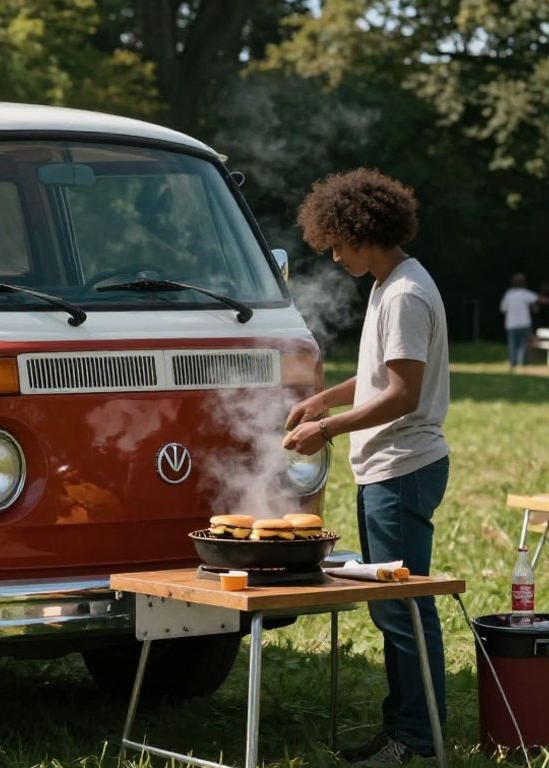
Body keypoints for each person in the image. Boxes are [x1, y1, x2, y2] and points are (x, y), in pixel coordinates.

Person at [282, 169, 450, 767]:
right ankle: (404, 730)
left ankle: (419, 740)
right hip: (387, 468)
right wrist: (325, 399)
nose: (333, 255)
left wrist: (324, 429)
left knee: (402, 607)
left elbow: (403, 393)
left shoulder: (403, 293)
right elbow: (383, 373)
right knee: (390, 605)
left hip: (402, 468)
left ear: (362, 231)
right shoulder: (390, 283)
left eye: (336, 243)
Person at [499, 273, 539, 369]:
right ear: (524, 283)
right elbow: (537, 299)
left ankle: (513, 364)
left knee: (513, 345)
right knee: (524, 345)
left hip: (511, 324)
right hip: (524, 323)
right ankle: (523, 364)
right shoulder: (525, 293)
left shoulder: (508, 294)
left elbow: (503, 309)